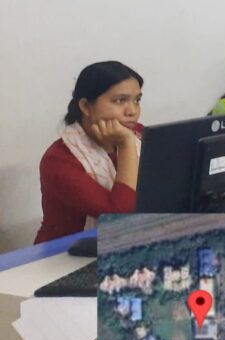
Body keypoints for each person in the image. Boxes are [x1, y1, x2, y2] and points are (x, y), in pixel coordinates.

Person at [36, 62, 144, 243]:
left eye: (137, 100)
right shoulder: (59, 160)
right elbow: (118, 217)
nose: (132, 111)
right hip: (66, 253)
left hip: (128, 243)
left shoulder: (139, 135)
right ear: (86, 107)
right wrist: (127, 145)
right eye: (120, 100)